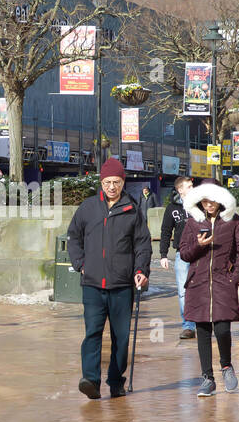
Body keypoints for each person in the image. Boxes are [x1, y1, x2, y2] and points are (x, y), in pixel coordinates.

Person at [67, 157, 152, 400]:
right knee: (92, 333)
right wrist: (80, 264)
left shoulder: (132, 211)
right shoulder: (88, 208)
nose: (111, 187)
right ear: (101, 182)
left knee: (121, 338)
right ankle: (91, 380)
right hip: (93, 284)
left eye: (116, 182)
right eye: (107, 182)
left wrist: (141, 270)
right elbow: (73, 237)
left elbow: (142, 245)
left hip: (122, 285)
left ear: (123, 182)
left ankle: (116, 381)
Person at [179, 182, 239, 396]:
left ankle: (226, 366)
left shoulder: (234, 221)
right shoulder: (193, 222)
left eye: (211, 200)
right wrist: (199, 245)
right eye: (204, 200)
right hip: (198, 283)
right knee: (202, 331)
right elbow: (184, 253)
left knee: (222, 329)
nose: (208, 204)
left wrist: (234, 278)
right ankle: (207, 378)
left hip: (223, 282)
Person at [158, 176, 196, 339]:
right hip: (182, 254)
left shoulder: (201, 204)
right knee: (183, 291)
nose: (192, 188)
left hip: (202, 252)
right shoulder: (172, 208)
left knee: (203, 288)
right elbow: (166, 232)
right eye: (188, 186)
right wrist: (163, 255)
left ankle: (204, 323)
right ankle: (188, 326)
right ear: (180, 190)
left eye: (192, 185)